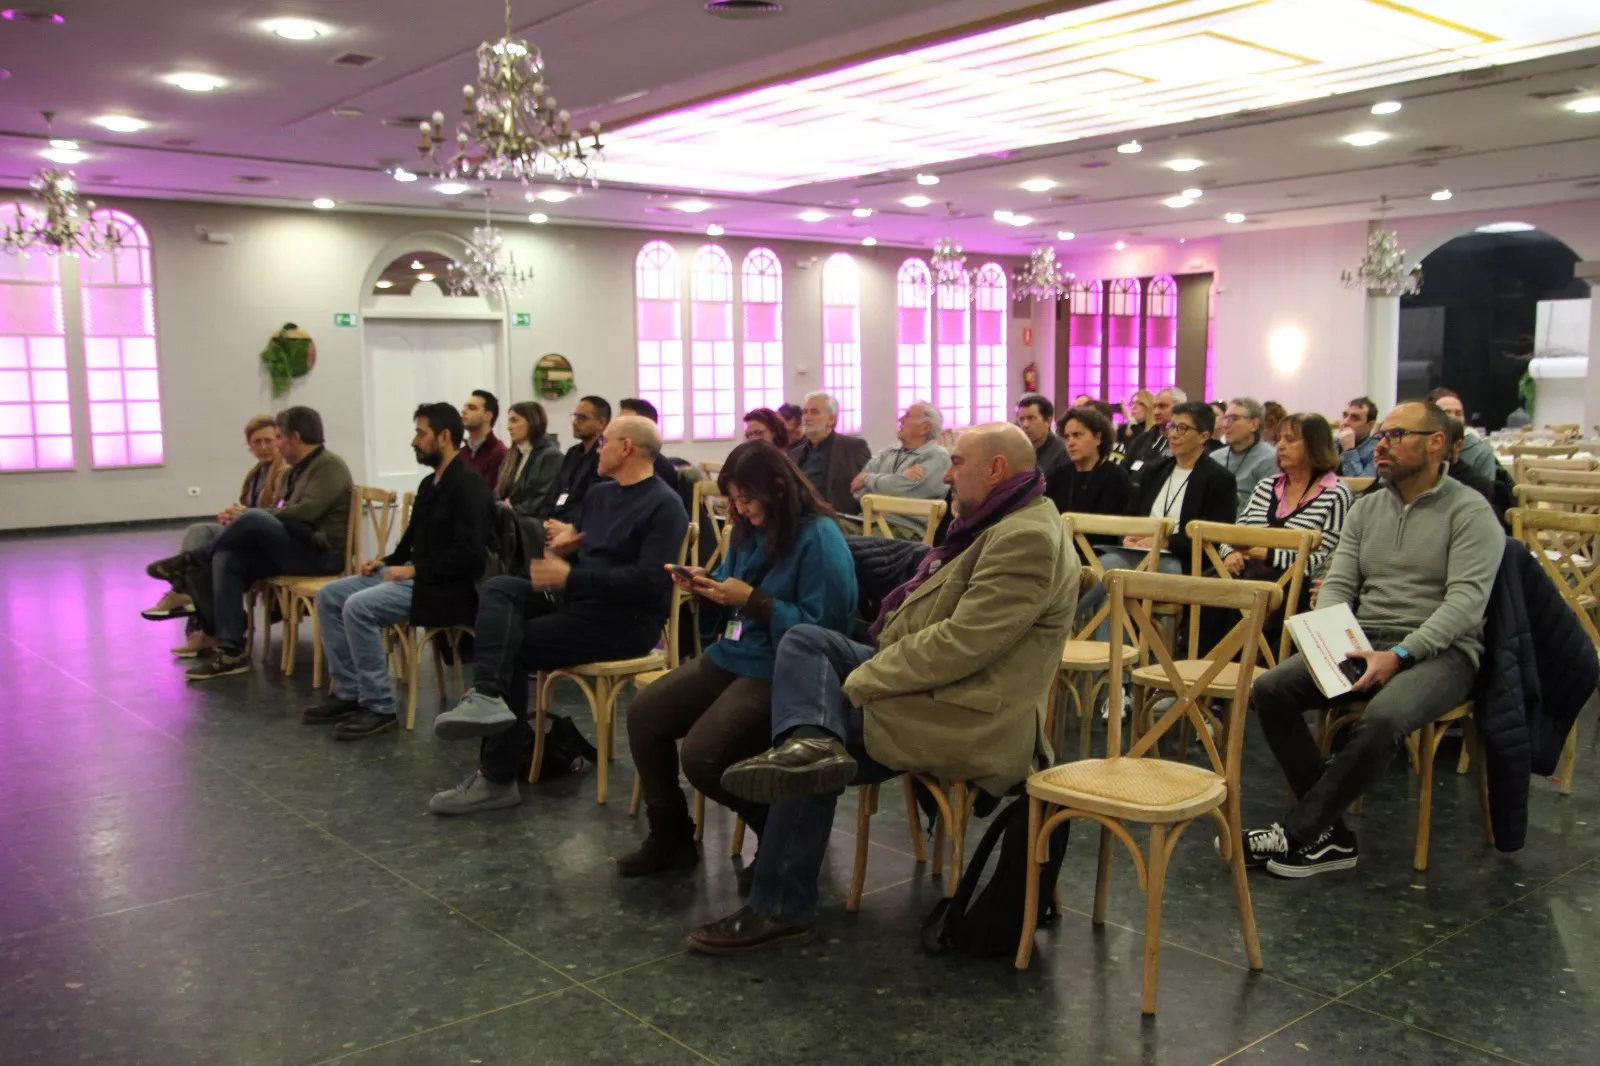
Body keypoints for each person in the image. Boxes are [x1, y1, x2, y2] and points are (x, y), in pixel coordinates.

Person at [687, 424, 1079, 953]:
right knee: (806, 644)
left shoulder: (1026, 536)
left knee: (815, 739)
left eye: (957, 462)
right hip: (932, 686)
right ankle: (811, 746)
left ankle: (780, 905)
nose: (947, 472)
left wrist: (864, 677)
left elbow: (961, 646)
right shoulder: (1001, 520)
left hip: (964, 713)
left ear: (996, 470)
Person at [1243, 400, 1502, 877]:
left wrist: (1400, 655)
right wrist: (1327, 636)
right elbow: (1339, 581)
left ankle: (1301, 831)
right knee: (1270, 688)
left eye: (1396, 436)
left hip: (1441, 653)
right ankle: (1331, 835)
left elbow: (1464, 606)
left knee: (1382, 720)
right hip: (1364, 640)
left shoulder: (1470, 512)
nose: (1381, 445)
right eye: (1380, 436)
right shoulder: (1368, 508)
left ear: (1436, 443)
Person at [426, 415, 689, 815]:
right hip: (580, 602)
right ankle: (487, 696)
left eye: (605, 443)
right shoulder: (602, 494)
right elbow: (582, 543)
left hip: (625, 622)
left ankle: (496, 779)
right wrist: (567, 548)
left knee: (511, 645)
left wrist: (573, 575)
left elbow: (649, 584)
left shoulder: (664, 506)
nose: (598, 450)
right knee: (499, 588)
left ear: (626, 447)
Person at [620, 441, 857, 877]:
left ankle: (782, 840)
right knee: (643, 715)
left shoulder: (819, 538)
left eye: (748, 499)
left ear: (780, 489)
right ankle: (670, 835)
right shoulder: (748, 529)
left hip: (782, 667)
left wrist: (756, 602)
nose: (741, 509)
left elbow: (825, 633)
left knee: (702, 755)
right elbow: (737, 591)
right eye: (733, 500)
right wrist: (710, 587)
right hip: (735, 651)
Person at [305, 403, 492, 739]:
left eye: (421, 433)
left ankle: (379, 706)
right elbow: (411, 542)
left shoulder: (468, 485)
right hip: (415, 575)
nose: (414, 440)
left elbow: (470, 555)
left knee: (358, 607)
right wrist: (386, 561)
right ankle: (349, 691)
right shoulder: (428, 484)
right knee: (330, 595)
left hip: (446, 588)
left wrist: (415, 570)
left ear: (445, 436)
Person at [148, 407, 352, 681]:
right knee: (227, 558)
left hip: (320, 553)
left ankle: (192, 560)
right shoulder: (295, 471)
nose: (276, 445)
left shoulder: (329, 466)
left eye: (278, 437)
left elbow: (306, 513)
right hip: (295, 544)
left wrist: (250, 517)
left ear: (295, 437)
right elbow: (285, 512)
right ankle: (231, 649)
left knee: (253, 517)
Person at [1075, 401, 1237, 634]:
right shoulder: (1155, 470)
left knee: (1115, 582)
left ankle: (1097, 656)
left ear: (1203, 436)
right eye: (1172, 426)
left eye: (1182, 428)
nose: (1173, 434)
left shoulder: (1219, 479)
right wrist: (1128, 536)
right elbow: (1131, 514)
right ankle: (1075, 645)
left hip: (1180, 560)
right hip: (1136, 553)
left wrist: (1166, 542)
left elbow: (1217, 535)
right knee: (1105, 580)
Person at [145, 415, 287, 642]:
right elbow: (249, 510)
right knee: (198, 532)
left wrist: (241, 515)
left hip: (268, 541)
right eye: (256, 442)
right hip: (249, 534)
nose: (263, 447)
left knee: (214, 554)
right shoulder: (256, 474)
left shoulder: (284, 471)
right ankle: (202, 614)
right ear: (249, 446)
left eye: (268, 441)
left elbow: (274, 514)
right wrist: (232, 518)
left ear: (279, 441)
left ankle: (186, 597)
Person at [1224, 413, 1353, 586]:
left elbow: (1324, 560)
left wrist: (1270, 555)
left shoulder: (1335, 493)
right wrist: (1229, 553)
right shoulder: (1266, 486)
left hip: (1293, 585)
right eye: (1279, 439)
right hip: (1246, 577)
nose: (1280, 446)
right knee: (1205, 593)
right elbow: (1234, 535)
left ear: (1315, 446)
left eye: (1290, 440)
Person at [850, 401, 951, 538]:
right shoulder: (889, 451)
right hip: (865, 521)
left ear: (925, 428)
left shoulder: (938, 456)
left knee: (838, 543)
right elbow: (857, 490)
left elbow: (906, 490)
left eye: (907, 415)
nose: (900, 419)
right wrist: (898, 480)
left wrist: (868, 479)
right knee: (823, 527)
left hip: (903, 530)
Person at [787, 392, 871, 517]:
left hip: (838, 518)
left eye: (814, 412)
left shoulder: (853, 447)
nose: (807, 417)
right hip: (800, 516)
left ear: (832, 419)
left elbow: (867, 487)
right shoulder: (794, 454)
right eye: (805, 412)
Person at [1046, 404, 1133, 517]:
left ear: (1098, 438)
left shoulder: (1116, 477)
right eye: (1067, 437)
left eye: (1077, 435)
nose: (1070, 443)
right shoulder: (1059, 476)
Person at [495, 401, 563, 519]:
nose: (509, 427)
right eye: (509, 421)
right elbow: (500, 493)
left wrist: (512, 511)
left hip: (532, 526)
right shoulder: (512, 454)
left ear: (532, 422)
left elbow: (542, 499)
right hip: (509, 522)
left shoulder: (552, 456)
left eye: (514, 420)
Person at [1210, 397, 1278, 514]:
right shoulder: (1214, 457)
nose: (1225, 425)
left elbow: (1265, 508)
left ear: (1254, 424)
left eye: (1233, 419)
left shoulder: (1269, 458)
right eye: (1225, 419)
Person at [550, 395, 609, 523]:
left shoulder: (604, 456)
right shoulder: (573, 453)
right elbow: (558, 490)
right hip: (560, 517)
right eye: (575, 416)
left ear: (601, 423)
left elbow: (593, 502)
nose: (575, 423)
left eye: (582, 418)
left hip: (582, 524)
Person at [1426, 387, 1498, 480]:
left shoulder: (1480, 453)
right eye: (1447, 412)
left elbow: (1485, 492)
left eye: (1458, 413)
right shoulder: (1421, 446)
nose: (1454, 417)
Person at [617, 397, 683, 486]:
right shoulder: (615, 461)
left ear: (646, 429)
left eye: (624, 424)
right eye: (617, 423)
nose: (616, 429)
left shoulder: (661, 470)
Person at [1123, 387, 1185, 477]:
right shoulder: (1143, 439)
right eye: (1154, 407)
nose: (1156, 412)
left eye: (1162, 406)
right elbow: (1125, 467)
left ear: (1180, 408)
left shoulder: (1185, 442)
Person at [1015, 393, 1070, 482]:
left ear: (1048, 421)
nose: (1025, 425)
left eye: (1031, 418)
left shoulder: (1063, 452)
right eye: (1021, 419)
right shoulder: (1018, 450)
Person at [460, 390, 507, 483]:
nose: (463, 411)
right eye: (465, 407)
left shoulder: (499, 454)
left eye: (472, 408)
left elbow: (489, 495)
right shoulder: (461, 453)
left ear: (488, 416)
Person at [1337, 396, 1379, 477]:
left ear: (1370, 425)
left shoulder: (1376, 450)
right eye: (1345, 416)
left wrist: (1349, 450)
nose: (1345, 422)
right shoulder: (1330, 443)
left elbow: (1360, 485)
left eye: (1355, 418)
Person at [1116, 389, 1156, 457]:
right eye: (1132, 403)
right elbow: (1117, 455)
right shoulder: (1123, 429)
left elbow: (1145, 444)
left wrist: (1131, 421)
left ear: (1148, 406)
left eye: (1138, 403)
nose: (1133, 407)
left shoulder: (1155, 429)